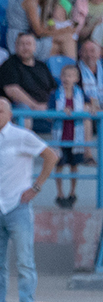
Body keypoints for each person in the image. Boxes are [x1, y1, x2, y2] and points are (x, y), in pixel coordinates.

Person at [0, 99, 58, 302]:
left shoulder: (21, 136)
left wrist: (36, 187)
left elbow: (51, 156)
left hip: (17, 206)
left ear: (9, 114)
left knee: (25, 263)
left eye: (0, 111)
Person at [0, 33, 57, 131]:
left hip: (45, 109)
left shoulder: (42, 66)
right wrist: (35, 106)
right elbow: (12, 90)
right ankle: (23, 144)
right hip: (20, 109)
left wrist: (49, 105)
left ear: (35, 47)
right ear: (16, 47)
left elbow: (53, 89)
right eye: (22, 44)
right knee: (23, 108)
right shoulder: (9, 65)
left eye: (28, 44)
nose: (25, 47)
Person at [50, 65, 90, 208]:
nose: (67, 78)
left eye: (70, 75)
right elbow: (49, 115)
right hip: (60, 135)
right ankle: (59, 193)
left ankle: (72, 193)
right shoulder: (55, 94)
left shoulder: (80, 93)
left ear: (76, 79)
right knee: (59, 164)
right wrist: (60, 112)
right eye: (64, 75)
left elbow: (90, 106)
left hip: (76, 135)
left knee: (74, 165)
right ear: (60, 77)